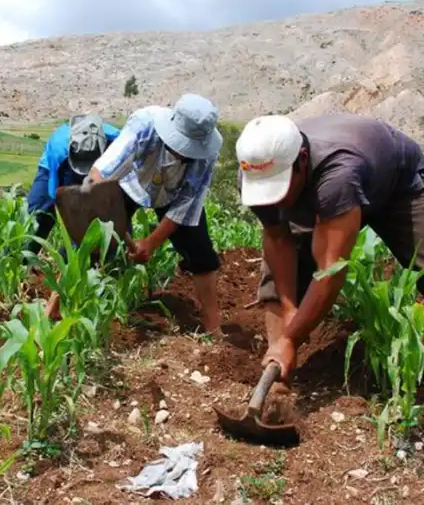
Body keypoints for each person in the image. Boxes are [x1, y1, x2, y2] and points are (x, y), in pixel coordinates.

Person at [236, 113, 424, 386]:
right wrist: (290, 311)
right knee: (276, 283)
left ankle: (413, 362)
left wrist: (292, 337)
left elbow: (330, 270)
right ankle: (278, 382)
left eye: (278, 186)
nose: (273, 198)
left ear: (301, 159)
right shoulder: (255, 170)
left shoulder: (337, 176)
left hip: (395, 183)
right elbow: (277, 239)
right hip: (328, 186)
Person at [70, 94, 224, 332]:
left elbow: (186, 204)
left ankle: (214, 331)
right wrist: (97, 203)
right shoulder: (144, 124)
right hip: (129, 183)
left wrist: (151, 242)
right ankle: (67, 314)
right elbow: (101, 171)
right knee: (91, 245)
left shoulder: (206, 152)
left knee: (201, 254)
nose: (185, 153)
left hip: (173, 193)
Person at [25, 113, 121, 260]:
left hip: (102, 170)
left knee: (104, 221)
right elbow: (55, 193)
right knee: (39, 216)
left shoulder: (118, 143)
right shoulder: (58, 149)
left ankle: (88, 263)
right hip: (60, 167)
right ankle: (19, 262)